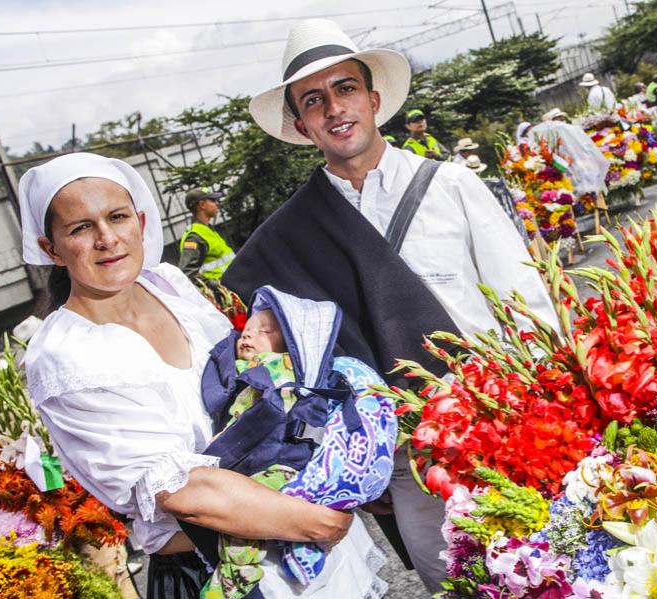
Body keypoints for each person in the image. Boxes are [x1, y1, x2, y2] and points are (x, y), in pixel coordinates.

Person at [224, 18, 558, 593]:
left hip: (508, 428)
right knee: (455, 580)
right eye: (313, 100)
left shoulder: (451, 186)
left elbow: (527, 307)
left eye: (346, 89)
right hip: (408, 463)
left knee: (551, 568)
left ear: (374, 99)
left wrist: (548, 408)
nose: (334, 108)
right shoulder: (288, 239)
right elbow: (301, 371)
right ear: (302, 125)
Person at [18, 152, 384, 598]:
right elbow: (181, 490)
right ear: (50, 248)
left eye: (117, 217)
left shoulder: (168, 284)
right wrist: (318, 519)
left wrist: (341, 467)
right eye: (80, 228)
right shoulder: (65, 354)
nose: (108, 238)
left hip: (299, 529)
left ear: (140, 219)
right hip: (215, 568)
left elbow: (255, 383)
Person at [201, 287, 397, 596]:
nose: (248, 336)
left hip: (279, 467)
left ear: (290, 345)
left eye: (264, 331)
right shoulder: (243, 372)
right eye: (246, 331)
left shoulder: (278, 374)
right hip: (265, 466)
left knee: (242, 520)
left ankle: (233, 579)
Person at [178, 186, 235, 281]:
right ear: (202, 204)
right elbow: (188, 273)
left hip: (232, 287)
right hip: (223, 292)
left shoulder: (207, 230)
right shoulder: (194, 237)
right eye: (213, 200)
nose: (217, 203)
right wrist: (214, 287)